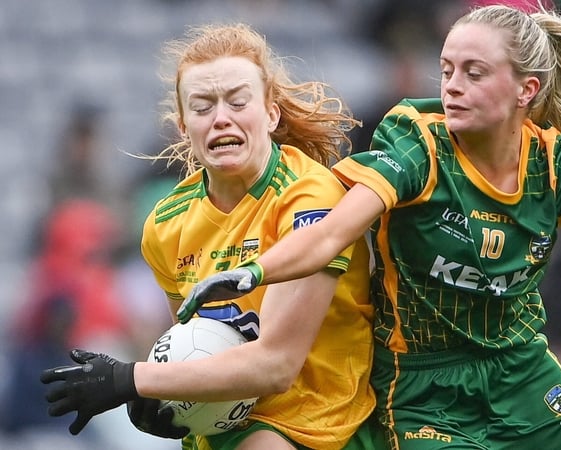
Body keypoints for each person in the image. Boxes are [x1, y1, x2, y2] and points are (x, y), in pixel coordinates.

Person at [170, 3, 561, 450]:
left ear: (527, 90)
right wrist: (253, 272)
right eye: (447, 69)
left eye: (474, 73)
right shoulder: (417, 143)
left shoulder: (556, 160)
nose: (452, 85)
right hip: (423, 388)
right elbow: (328, 236)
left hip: (521, 367)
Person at [40, 23, 381, 450]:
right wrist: (164, 399)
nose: (221, 118)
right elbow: (188, 340)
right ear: (184, 126)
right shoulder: (165, 224)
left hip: (317, 430)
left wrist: (132, 379)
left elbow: (277, 365)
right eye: (202, 107)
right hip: (221, 430)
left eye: (238, 101)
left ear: (270, 113)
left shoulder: (310, 195)